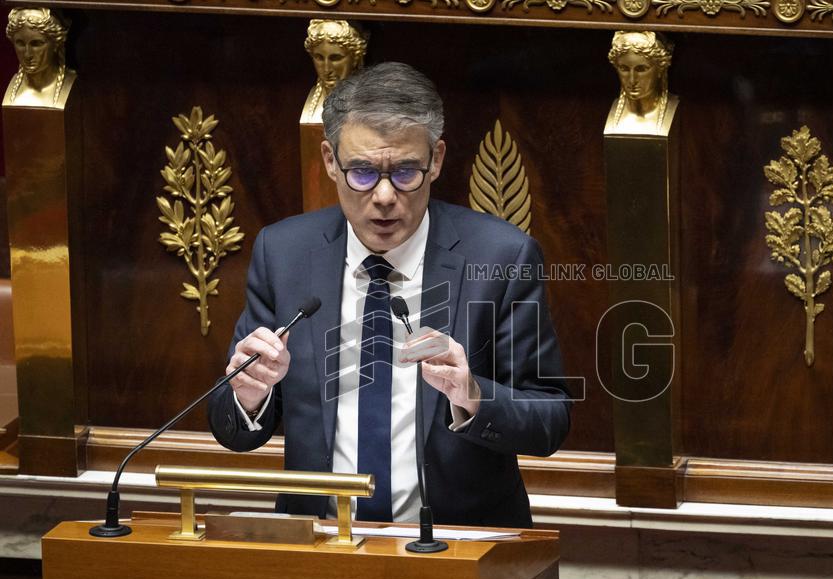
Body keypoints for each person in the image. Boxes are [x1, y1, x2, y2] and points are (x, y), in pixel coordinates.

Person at [209, 62, 571, 528]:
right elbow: (233, 431)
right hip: (320, 547)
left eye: (404, 172)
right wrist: (248, 395)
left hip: (455, 545)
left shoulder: (502, 257)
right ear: (328, 160)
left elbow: (550, 419)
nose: (383, 196)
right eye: (361, 172)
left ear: (436, 160)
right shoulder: (284, 253)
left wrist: (473, 395)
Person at [605, 31, 674, 136]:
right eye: (624, 69)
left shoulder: (678, 111)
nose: (632, 80)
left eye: (641, 69)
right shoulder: (603, 113)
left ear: (660, 69)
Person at [4, 8, 76, 108]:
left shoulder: (72, 85)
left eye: (36, 44)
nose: (27, 54)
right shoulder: (12, 91)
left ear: (56, 44)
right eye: (20, 43)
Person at [301, 20, 368, 124]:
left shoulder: (368, 103)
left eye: (336, 58)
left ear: (355, 58)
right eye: (319, 58)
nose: (327, 69)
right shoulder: (311, 106)